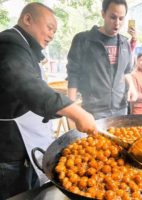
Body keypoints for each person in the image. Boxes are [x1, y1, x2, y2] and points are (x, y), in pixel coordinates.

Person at [0, 3, 97, 199]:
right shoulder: (9, 44)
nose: (52, 35)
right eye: (50, 27)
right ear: (27, 20)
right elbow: (28, 85)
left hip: (23, 146)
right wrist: (77, 112)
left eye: (55, 31)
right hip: (8, 148)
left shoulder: (24, 48)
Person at [67, 0, 138, 120]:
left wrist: (132, 87)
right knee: (94, 140)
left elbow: (126, 72)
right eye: (113, 17)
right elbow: (73, 74)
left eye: (121, 19)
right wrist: (71, 107)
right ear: (103, 14)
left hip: (121, 108)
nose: (117, 23)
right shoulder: (83, 40)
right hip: (94, 110)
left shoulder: (124, 43)